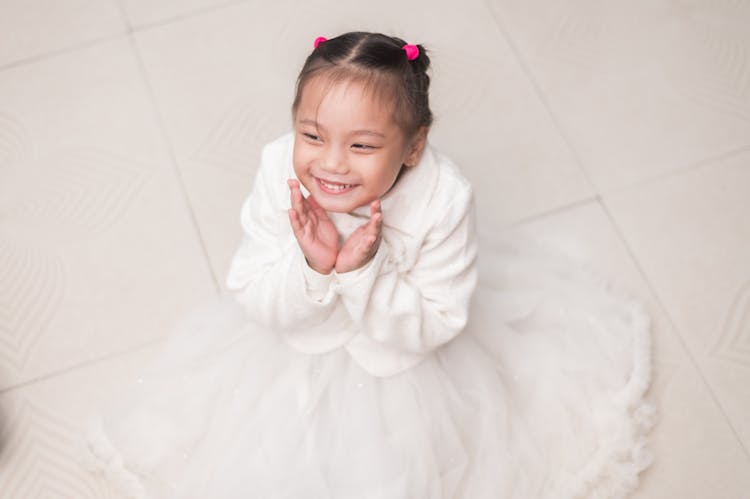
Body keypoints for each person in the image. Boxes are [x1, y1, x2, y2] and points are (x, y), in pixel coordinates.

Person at [78, 31, 655, 499]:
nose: (331, 165)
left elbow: (434, 327)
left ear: (413, 147)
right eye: (312, 134)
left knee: (401, 464)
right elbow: (253, 294)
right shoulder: (278, 167)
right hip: (293, 347)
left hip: (403, 362)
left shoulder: (444, 199)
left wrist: (360, 273)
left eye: (362, 145)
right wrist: (314, 265)